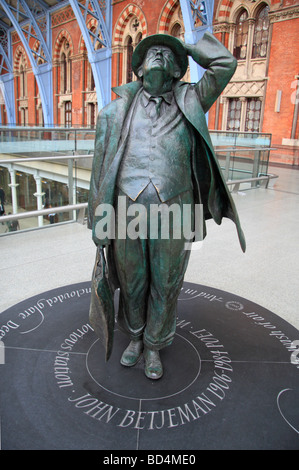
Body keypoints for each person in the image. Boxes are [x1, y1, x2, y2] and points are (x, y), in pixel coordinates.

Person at [88, 32, 246, 380]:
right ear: (139, 70)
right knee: (132, 281)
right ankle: (135, 338)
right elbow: (99, 170)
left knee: (166, 280)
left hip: (176, 209)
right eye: (151, 53)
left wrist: (185, 47)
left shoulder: (191, 99)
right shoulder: (115, 112)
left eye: (166, 55)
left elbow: (226, 64)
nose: (159, 56)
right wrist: (99, 223)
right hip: (125, 209)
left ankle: (155, 344)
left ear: (177, 71)